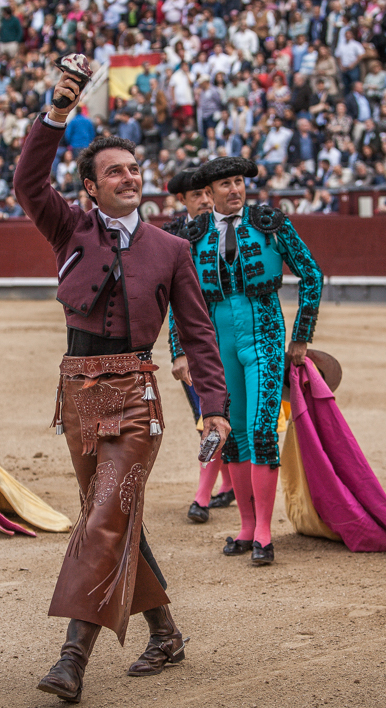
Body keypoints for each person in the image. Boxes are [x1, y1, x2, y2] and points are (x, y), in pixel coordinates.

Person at [14, 62, 231, 704]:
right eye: (115, 172)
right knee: (113, 520)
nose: (130, 178)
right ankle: (165, 633)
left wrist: (214, 408)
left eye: (135, 171)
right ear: (89, 188)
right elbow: (27, 180)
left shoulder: (171, 249)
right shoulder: (68, 228)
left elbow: (197, 335)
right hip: (78, 397)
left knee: (105, 517)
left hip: (136, 396)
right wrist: (56, 113)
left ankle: (71, 660)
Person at [178, 155, 324, 566]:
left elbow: (311, 274)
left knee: (261, 431)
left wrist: (301, 337)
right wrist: (180, 350)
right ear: (209, 193)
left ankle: (263, 530)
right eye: (225, 184)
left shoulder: (269, 224)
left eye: (239, 181)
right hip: (219, 344)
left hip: (265, 336)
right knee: (234, 433)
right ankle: (246, 526)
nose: (235, 190)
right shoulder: (197, 234)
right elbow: (180, 298)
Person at [160, 168, 235, 524]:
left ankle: (208, 494)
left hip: (232, 337)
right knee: (206, 417)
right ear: (183, 201)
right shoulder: (174, 237)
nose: (205, 200)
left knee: (219, 416)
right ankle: (220, 487)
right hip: (198, 344)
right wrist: (178, 350)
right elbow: (177, 304)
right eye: (196, 196)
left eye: (208, 193)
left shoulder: (227, 230)